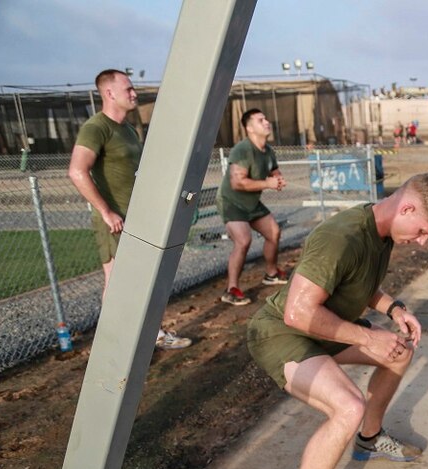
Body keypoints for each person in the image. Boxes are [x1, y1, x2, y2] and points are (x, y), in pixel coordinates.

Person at [247, 172, 428, 469]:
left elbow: (360, 284)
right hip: (281, 333)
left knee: (398, 351)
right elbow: (296, 312)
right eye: (424, 231)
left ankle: (370, 438)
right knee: (348, 407)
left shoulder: (378, 231)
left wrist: (394, 309)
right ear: (407, 208)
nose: (423, 241)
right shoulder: (340, 236)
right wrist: (366, 337)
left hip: (321, 326)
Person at [68, 68, 192, 350]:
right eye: (128, 89)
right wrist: (106, 211)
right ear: (109, 93)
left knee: (144, 280)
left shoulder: (127, 130)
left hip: (137, 219)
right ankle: (113, 346)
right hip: (114, 221)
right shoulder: (96, 127)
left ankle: (152, 334)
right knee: (115, 283)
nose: (134, 93)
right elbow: (77, 171)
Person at [217, 108, 287, 306]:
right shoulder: (242, 149)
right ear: (249, 128)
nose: (266, 122)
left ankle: (272, 273)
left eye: (266, 118)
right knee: (243, 240)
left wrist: (278, 180)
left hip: (252, 202)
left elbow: (274, 172)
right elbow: (237, 183)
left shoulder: (268, 151)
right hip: (232, 202)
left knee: (274, 232)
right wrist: (268, 184)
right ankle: (231, 289)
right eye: (260, 120)